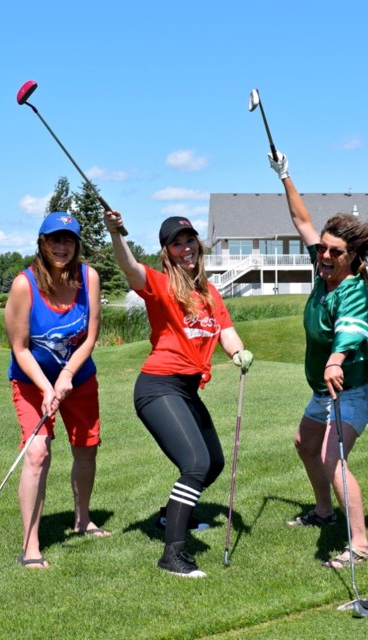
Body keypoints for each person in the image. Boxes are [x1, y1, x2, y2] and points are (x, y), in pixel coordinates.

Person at [103, 211, 254, 578]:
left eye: (189, 240)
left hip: (186, 389)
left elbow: (225, 331)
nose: (185, 248)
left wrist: (237, 352)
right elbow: (128, 265)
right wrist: (115, 233)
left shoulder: (209, 291)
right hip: (158, 386)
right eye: (176, 243)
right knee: (195, 465)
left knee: (213, 463)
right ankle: (173, 553)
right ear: (167, 251)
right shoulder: (159, 284)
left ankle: (169, 516)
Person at [269, 151, 368, 570]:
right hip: (323, 389)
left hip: (350, 389)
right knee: (305, 443)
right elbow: (302, 221)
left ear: (353, 257)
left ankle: (359, 544)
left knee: (332, 459)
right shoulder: (322, 271)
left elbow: (351, 330)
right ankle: (323, 512)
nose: (326, 256)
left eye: (335, 251)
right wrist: (285, 176)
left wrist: (335, 359)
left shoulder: (350, 289)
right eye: (324, 250)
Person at [5, 212, 109, 569]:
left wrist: (65, 376)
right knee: (37, 453)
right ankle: (30, 546)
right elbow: (19, 347)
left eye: (68, 240)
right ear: (42, 243)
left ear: (77, 244)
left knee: (86, 450)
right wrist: (48, 386)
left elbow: (91, 336)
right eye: (54, 239)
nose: (61, 247)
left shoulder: (88, 277)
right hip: (31, 380)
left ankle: (82, 520)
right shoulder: (24, 284)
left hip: (78, 378)